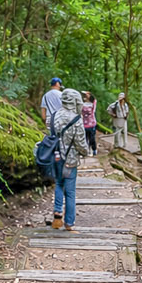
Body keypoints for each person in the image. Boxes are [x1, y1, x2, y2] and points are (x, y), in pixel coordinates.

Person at [49, 88, 90, 231]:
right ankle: (69, 223)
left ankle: (57, 213)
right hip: (70, 160)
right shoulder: (76, 119)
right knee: (70, 192)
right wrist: (85, 152)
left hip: (56, 157)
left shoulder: (54, 116)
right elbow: (80, 143)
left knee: (59, 184)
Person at [81, 91, 98, 155]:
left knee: (92, 138)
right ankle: (86, 151)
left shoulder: (93, 103)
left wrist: (89, 96)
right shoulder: (82, 104)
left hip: (92, 123)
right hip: (84, 124)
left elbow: (94, 100)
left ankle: (94, 149)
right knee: (85, 138)